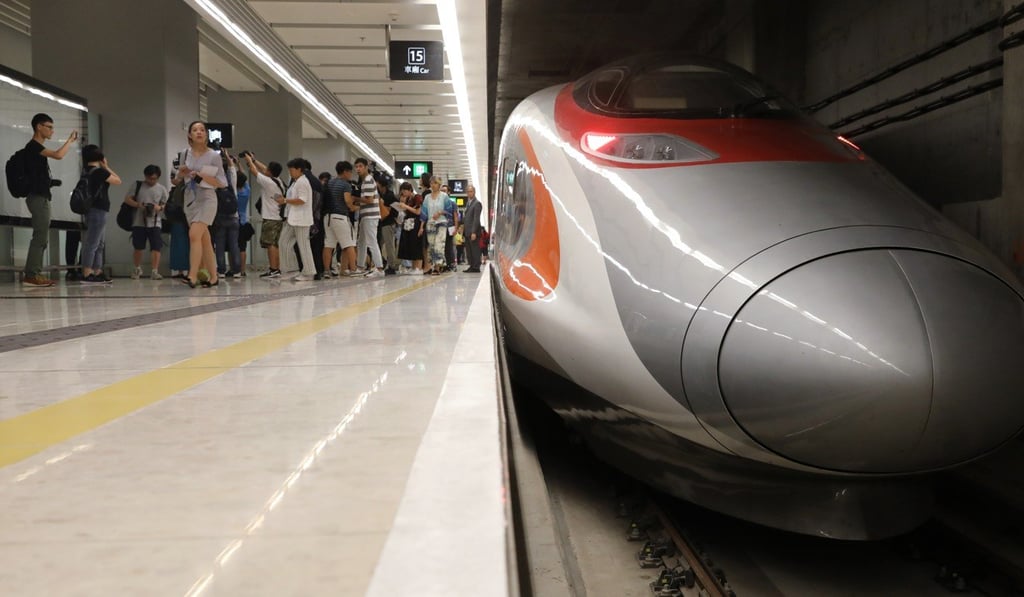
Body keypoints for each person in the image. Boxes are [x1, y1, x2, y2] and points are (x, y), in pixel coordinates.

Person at [22, 113, 78, 286]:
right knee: (40, 236)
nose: (52, 131)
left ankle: (34, 273)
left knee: (41, 236)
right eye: (49, 127)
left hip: (41, 196)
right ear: (39, 127)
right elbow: (58, 155)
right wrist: (70, 141)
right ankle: (31, 274)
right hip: (37, 197)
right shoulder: (33, 146)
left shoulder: (37, 149)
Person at [172, 121, 226, 288]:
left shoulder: (213, 156)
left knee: (194, 235)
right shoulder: (184, 154)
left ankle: (192, 275)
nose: (199, 132)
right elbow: (176, 180)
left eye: (202, 130)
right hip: (190, 199)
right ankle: (214, 277)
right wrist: (181, 175)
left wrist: (201, 176)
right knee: (204, 240)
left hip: (207, 198)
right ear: (190, 134)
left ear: (206, 134)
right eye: (195, 130)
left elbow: (222, 182)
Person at [79, 144, 122, 283]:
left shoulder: (85, 171)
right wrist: (106, 166)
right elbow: (118, 180)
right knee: (93, 243)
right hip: (98, 210)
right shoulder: (99, 172)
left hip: (92, 209)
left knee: (98, 243)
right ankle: (87, 272)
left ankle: (97, 270)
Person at [244, 153, 285, 279]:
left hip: (271, 218)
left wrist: (250, 161)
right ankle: (276, 269)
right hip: (277, 217)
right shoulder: (278, 180)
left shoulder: (268, 182)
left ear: (270, 172)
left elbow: (254, 171)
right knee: (274, 244)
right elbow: (263, 169)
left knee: (270, 244)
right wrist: (255, 160)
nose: (265, 169)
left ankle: (273, 269)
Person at [124, 165, 168, 279]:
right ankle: (137, 269)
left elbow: (165, 204)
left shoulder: (162, 189)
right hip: (139, 222)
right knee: (138, 247)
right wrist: (139, 205)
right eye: (149, 178)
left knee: (156, 247)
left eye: (154, 179)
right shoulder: (137, 185)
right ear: (145, 176)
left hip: (155, 222)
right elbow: (127, 199)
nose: (151, 181)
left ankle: (155, 271)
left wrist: (159, 207)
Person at [277, 158, 316, 281]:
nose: (290, 172)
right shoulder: (295, 182)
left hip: (302, 220)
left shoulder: (302, 182)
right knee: (283, 242)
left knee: (303, 245)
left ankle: (309, 272)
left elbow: (302, 200)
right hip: (292, 218)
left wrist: (285, 200)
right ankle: (290, 269)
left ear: (299, 169)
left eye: (292, 170)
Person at [323, 160, 357, 276]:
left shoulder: (329, 182)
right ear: (345, 172)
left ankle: (326, 271)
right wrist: (353, 207)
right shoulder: (345, 184)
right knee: (349, 244)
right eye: (350, 172)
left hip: (328, 217)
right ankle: (353, 269)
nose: (351, 175)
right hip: (340, 216)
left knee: (329, 245)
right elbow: (347, 200)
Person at [353, 157, 384, 277]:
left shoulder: (368, 180)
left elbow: (369, 200)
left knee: (371, 241)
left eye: (360, 166)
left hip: (371, 216)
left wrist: (355, 199)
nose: (358, 169)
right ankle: (360, 267)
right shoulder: (365, 181)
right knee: (362, 242)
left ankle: (379, 268)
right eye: (356, 167)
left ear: (366, 167)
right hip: (366, 216)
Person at [419, 176, 453, 275]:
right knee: (432, 246)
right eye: (431, 183)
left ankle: (437, 267)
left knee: (439, 244)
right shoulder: (427, 197)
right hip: (430, 224)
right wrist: (421, 227)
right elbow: (424, 213)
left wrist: (440, 212)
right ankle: (436, 265)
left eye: (435, 183)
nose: (433, 185)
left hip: (441, 223)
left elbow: (449, 210)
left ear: (439, 185)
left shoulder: (444, 196)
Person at [395, 181, 423, 274]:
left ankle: (418, 267)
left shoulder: (417, 197)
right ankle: (413, 267)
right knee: (410, 245)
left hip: (416, 223)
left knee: (416, 245)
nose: (403, 193)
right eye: (402, 191)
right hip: (408, 224)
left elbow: (418, 212)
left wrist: (406, 206)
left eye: (405, 191)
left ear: (410, 190)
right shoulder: (408, 199)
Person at [376, 172, 400, 274]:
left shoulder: (388, 196)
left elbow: (386, 212)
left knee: (389, 245)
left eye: (378, 183)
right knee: (382, 244)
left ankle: (392, 266)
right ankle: (387, 263)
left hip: (388, 223)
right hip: (386, 223)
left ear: (382, 185)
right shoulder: (385, 195)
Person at [463, 184, 483, 272]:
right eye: (468, 192)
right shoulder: (468, 203)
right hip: (467, 231)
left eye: (471, 191)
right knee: (469, 250)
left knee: (475, 250)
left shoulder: (477, 203)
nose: (469, 193)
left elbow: (476, 219)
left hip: (473, 231)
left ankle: (476, 267)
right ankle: (471, 265)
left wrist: (474, 232)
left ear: (474, 192)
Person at [236, 170, 252, 277]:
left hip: (234, 220)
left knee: (233, 246)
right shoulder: (247, 191)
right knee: (243, 248)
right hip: (244, 221)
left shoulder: (234, 192)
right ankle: (243, 270)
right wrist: (239, 165)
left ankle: (234, 269)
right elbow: (244, 179)